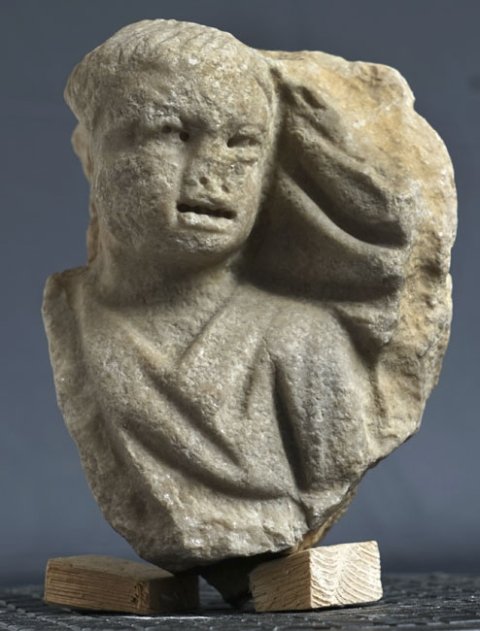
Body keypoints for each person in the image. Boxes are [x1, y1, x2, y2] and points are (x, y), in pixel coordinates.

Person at [43, 19, 455, 598]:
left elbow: (328, 465)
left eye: (242, 143)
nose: (212, 170)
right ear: (90, 152)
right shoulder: (70, 311)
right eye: (173, 131)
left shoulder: (304, 343)